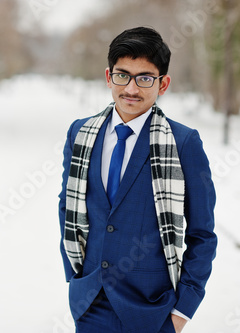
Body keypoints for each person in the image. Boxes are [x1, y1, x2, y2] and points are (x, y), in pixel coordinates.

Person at [58, 27, 217, 333]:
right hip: (89, 304)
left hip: (153, 311)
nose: (131, 88)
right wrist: (75, 277)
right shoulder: (80, 133)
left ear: (163, 83)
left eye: (145, 78)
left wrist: (183, 310)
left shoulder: (184, 143)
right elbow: (68, 206)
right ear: (108, 77)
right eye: (122, 75)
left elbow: (202, 234)